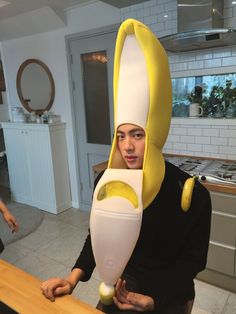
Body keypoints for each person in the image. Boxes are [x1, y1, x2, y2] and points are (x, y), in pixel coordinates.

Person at [41, 19, 212, 314]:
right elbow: (99, 236)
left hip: (169, 294)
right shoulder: (107, 184)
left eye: (138, 135)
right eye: (121, 136)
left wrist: (155, 298)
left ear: (154, 135)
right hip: (124, 287)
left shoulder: (188, 194)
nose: (127, 146)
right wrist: (73, 278)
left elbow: (193, 262)